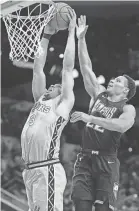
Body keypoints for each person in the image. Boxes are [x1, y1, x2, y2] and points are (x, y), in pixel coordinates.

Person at [70, 15, 136, 211]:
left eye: (118, 82)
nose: (113, 81)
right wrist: (81, 39)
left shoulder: (127, 108)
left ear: (125, 91)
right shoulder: (99, 94)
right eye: (113, 79)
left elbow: (122, 125)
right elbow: (86, 68)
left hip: (107, 161)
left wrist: (90, 117)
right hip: (85, 159)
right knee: (80, 206)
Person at [21, 10, 76, 211]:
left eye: (58, 86)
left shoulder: (62, 106)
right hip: (29, 171)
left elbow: (68, 68)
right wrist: (46, 35)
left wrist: (71, 34)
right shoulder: (40, 99)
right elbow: (38, 67)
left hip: (47, 169)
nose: (53, 85)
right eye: (52, 85)